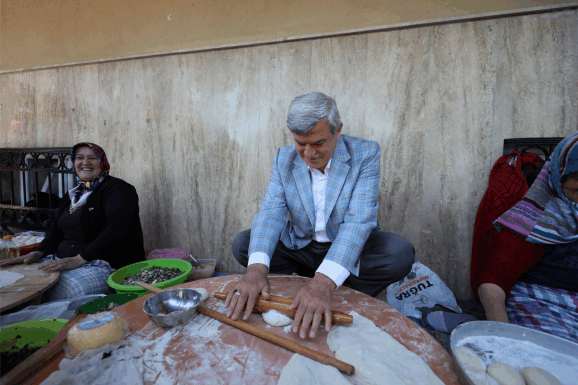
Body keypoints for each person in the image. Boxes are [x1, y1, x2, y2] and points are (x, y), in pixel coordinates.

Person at [226, 92, 415, 339]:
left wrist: (322, 283)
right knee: (245, 245)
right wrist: (255, 272)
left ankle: (337, 283)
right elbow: (271, 211)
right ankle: (319, 280)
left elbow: (359, 221)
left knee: (398, 253)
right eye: (300, 143)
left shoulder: (365, 153)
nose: (308, 153)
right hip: (302, 247)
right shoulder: (284, 158)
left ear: (338, 132)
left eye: (318, 143)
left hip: (348, 247)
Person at [0, 142, 145, 301]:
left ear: (102, 162)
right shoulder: (73, 195)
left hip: (103, 264)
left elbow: (116, 230)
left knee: (62, 292)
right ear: (73, 163)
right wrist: (37, 252)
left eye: (92, 158)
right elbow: (55, 232)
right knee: (17, 281)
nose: (85, 162)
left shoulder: (118, 189)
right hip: (61, 259)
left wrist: (78, 259)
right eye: (79, 158)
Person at [477, 131, 578, 344]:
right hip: (543, 302)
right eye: (576, 186)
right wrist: (505, 338)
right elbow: (492, 283)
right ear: (558, 178)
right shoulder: (536, 220)